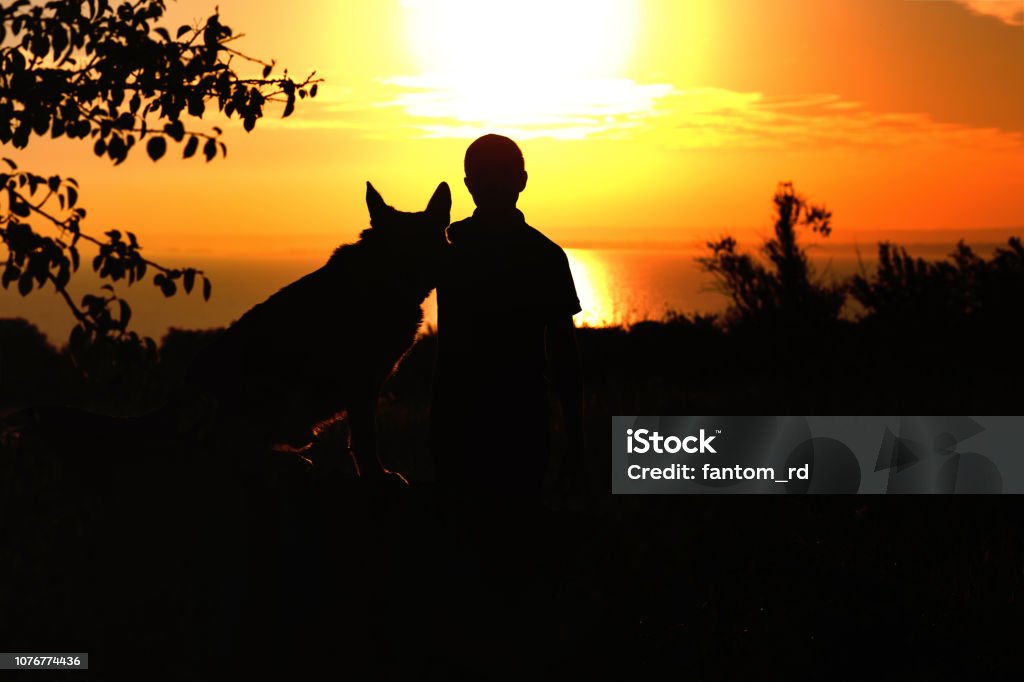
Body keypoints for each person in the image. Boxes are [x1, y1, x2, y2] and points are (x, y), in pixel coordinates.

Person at [429, 134, 584, 501]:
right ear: (469, 184)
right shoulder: (446, 248)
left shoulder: (543, 255)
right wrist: (576, 441)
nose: (494, 182)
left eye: (501, 173)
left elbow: (565, 352)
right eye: (485, 174)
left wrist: (576, 441)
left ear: (521, 180)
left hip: (516, 426)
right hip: (464, 425)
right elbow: (565, 352)